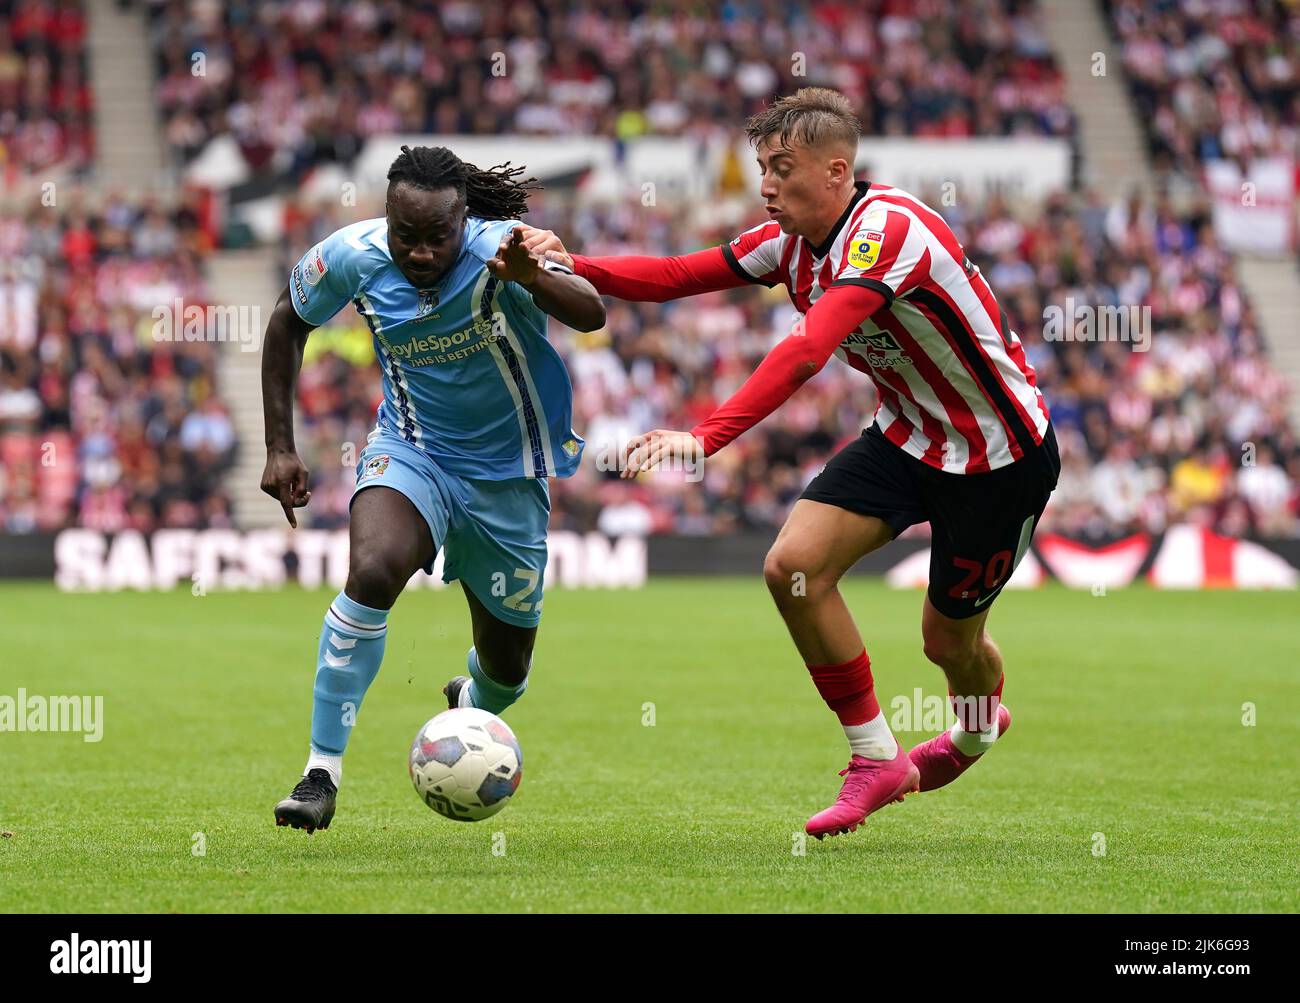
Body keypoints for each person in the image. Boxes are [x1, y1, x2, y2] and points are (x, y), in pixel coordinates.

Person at [523, 88, 1059, 839]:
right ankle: (875, 758)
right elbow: (678, 276)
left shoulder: (887, 232)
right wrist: (567, 261)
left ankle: (975, 730)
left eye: (782, 167)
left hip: (999, 460)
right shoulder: (791, 242)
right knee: (793, 567)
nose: (766, 185)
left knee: (948, 643)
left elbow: (809, 348)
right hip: (908, 436)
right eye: (762, 167)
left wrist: (707, 435)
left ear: (837, 171)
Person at [261, 145, 604, 833]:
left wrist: (533, 276)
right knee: (372, 570)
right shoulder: (353, 255)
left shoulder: (503, 251)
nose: (418, 252)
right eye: (404, 235)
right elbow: (286, 323)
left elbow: (591, 312)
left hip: (508, 476)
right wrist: (279, 445)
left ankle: (471, 695)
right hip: (412, 451)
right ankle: (320, 772)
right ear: (385, 215)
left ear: (462, 220)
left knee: (507, 673)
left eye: (436, 237)